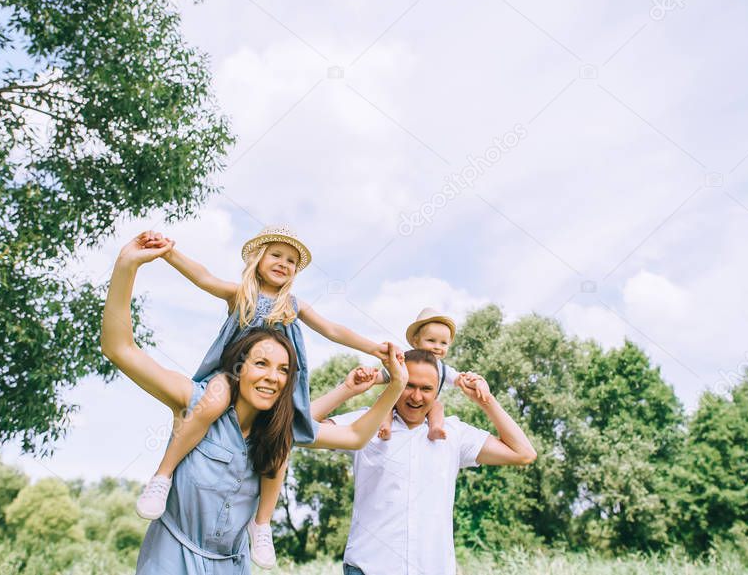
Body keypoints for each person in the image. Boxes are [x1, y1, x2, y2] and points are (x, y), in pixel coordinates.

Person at [100, 235, 408, 574]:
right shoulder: (241, 296)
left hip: (232, 562)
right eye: (276, 255)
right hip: (223, 381)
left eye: (291, 261)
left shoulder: (292, 306)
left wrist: (382, 361)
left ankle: (262, 525)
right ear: (258, 259)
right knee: (214, 399)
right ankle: (163, 475)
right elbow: (201, 280)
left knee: (282, 437)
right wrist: (165, 254)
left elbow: (333, 332)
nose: (283, 264)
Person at [314, 349, 538, 575]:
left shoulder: (455, 433)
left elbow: (523, 453)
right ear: (396, 383)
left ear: (437, 392)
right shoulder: (365, 423)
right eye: (409, 385)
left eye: (426, 388)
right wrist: (347, 390)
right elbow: (297, 429)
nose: (416, 396)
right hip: (368, 568)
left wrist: (485, 400)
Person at [376, 307, 491, 441]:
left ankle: (435, 428)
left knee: (437, 405)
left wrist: (476, 382)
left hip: (425, 406)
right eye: (431, 340)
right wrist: (370, 377)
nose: (437, 346)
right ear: (416, 341)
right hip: (397, 400)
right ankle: (385, 426)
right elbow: (383, 376)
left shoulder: (442, 369)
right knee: (383, 398)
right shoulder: (405, 361)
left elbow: (460, 379)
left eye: (443, 343)